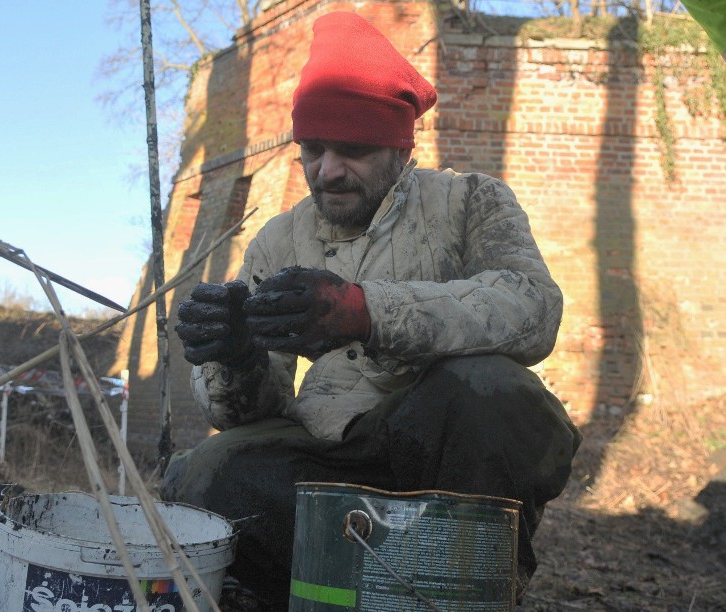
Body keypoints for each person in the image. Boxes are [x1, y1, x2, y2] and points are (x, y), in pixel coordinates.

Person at [164, 10, 581, 610]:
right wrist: (235, 357)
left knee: (497, 391)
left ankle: (469, 593)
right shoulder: (277, 241)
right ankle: (319, 593)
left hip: (440, 451)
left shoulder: (469, 202)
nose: (326, 171)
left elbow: (532, 307)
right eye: (312, 149)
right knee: (207, 471)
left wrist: (367, 312)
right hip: (324, 456)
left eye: (352, 150)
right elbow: (246, 416)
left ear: (398, 147)